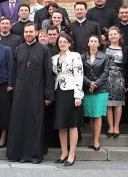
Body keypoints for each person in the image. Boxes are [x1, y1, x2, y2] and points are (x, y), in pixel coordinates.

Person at [8, 23, 54, 164]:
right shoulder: (18, 49)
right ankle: (19, 154)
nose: (28, 34)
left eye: (30, 31)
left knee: (35, 123)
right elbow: (14, 71)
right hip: (20, 92)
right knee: (20, 122)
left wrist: (48, 94)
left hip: (37, 92)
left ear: (36, 33)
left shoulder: (43, 49)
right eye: (26, 32)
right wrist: (13, 88)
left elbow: (48, 73)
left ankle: (34, 155)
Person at [51, 34, 84, 166]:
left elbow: (79, 75)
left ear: (70, 43)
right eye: (60, 42)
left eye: (65, 41)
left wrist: (78, 95)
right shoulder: (54, 58)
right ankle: (64, 152)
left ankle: (72, 153)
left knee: (72, 123)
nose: (62, 43)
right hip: (59, 92)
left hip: (71, 92)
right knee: (61, 124)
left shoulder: (75, 56)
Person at [81, 35, 109, 151]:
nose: (93, 43)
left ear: (99, 44)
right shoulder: (82, 57)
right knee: (91, 116)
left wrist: (95, 84)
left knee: (97, 115)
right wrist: (89, 84)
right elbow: (80, 72)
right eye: (91, 41)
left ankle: (96, 141)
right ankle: (93, 139)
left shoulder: (104, 57)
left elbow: (106, 73)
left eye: (95, 41)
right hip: (87, 89)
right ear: (88, 43)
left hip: (100, 90)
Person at [105, 26, 128, 138]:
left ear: (119, 35)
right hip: (106, 78)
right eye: (111, 34)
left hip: (120, 78)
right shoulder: (103, 47)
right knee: (108, 104)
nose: (113, 36)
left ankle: (117, 126)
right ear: (108, 37)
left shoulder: (125, 49)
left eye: (115, 34)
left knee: (118, 103)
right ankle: (110, 126)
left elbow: (127, 66)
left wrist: (127, 82)